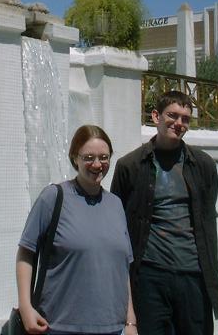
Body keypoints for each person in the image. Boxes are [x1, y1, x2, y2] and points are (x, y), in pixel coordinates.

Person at [111, 91, 218, 335]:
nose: (179, 123)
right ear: (156, 116)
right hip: (150, 276)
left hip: (194, 274)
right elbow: (117, 225)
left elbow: (206, 219)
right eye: (172, 115)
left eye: (185, 118)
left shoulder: (204, 165)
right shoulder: (129, 166)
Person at [16, 124, 138, 335]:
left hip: (113, 328)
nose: (97, 164)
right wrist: (26, 307)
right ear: (75, 158)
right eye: (89, 157)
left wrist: (130, 322)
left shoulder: (116, 204)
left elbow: (122, 268)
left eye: (104, 157)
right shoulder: (53, 197)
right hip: (58, 326)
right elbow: (26, 252)